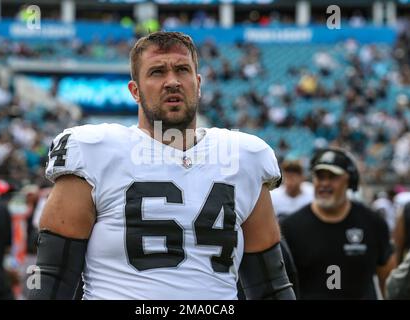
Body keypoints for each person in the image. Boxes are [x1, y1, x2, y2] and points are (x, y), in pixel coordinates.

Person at [28, 31, 295, 300]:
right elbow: (53, 278)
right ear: (135, 90)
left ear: (198, 83)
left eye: (182, 70)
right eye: (157, 72)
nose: (172, 82)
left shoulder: (245, 156)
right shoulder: (93, 150)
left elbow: (269, 285)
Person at [281, 148, 396, 299]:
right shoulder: (291, 227)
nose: (324, 183)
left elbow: (387, 278)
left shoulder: (373, 223)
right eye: (320, 177)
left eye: (332, 177)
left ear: (350, 180)